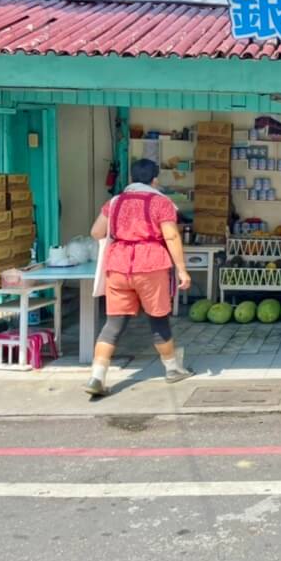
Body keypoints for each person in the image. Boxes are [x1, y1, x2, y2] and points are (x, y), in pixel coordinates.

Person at [85, 159, 193, 396]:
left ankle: (96, 376)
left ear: (131, 179)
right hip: (150, 264)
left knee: (113, 323)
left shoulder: (114, 202)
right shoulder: (161, 203)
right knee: (158, 319)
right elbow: (172, 237)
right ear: (155, 179)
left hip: (119, 265)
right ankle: (172, 369)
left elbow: (96, 232)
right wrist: (182, 269)